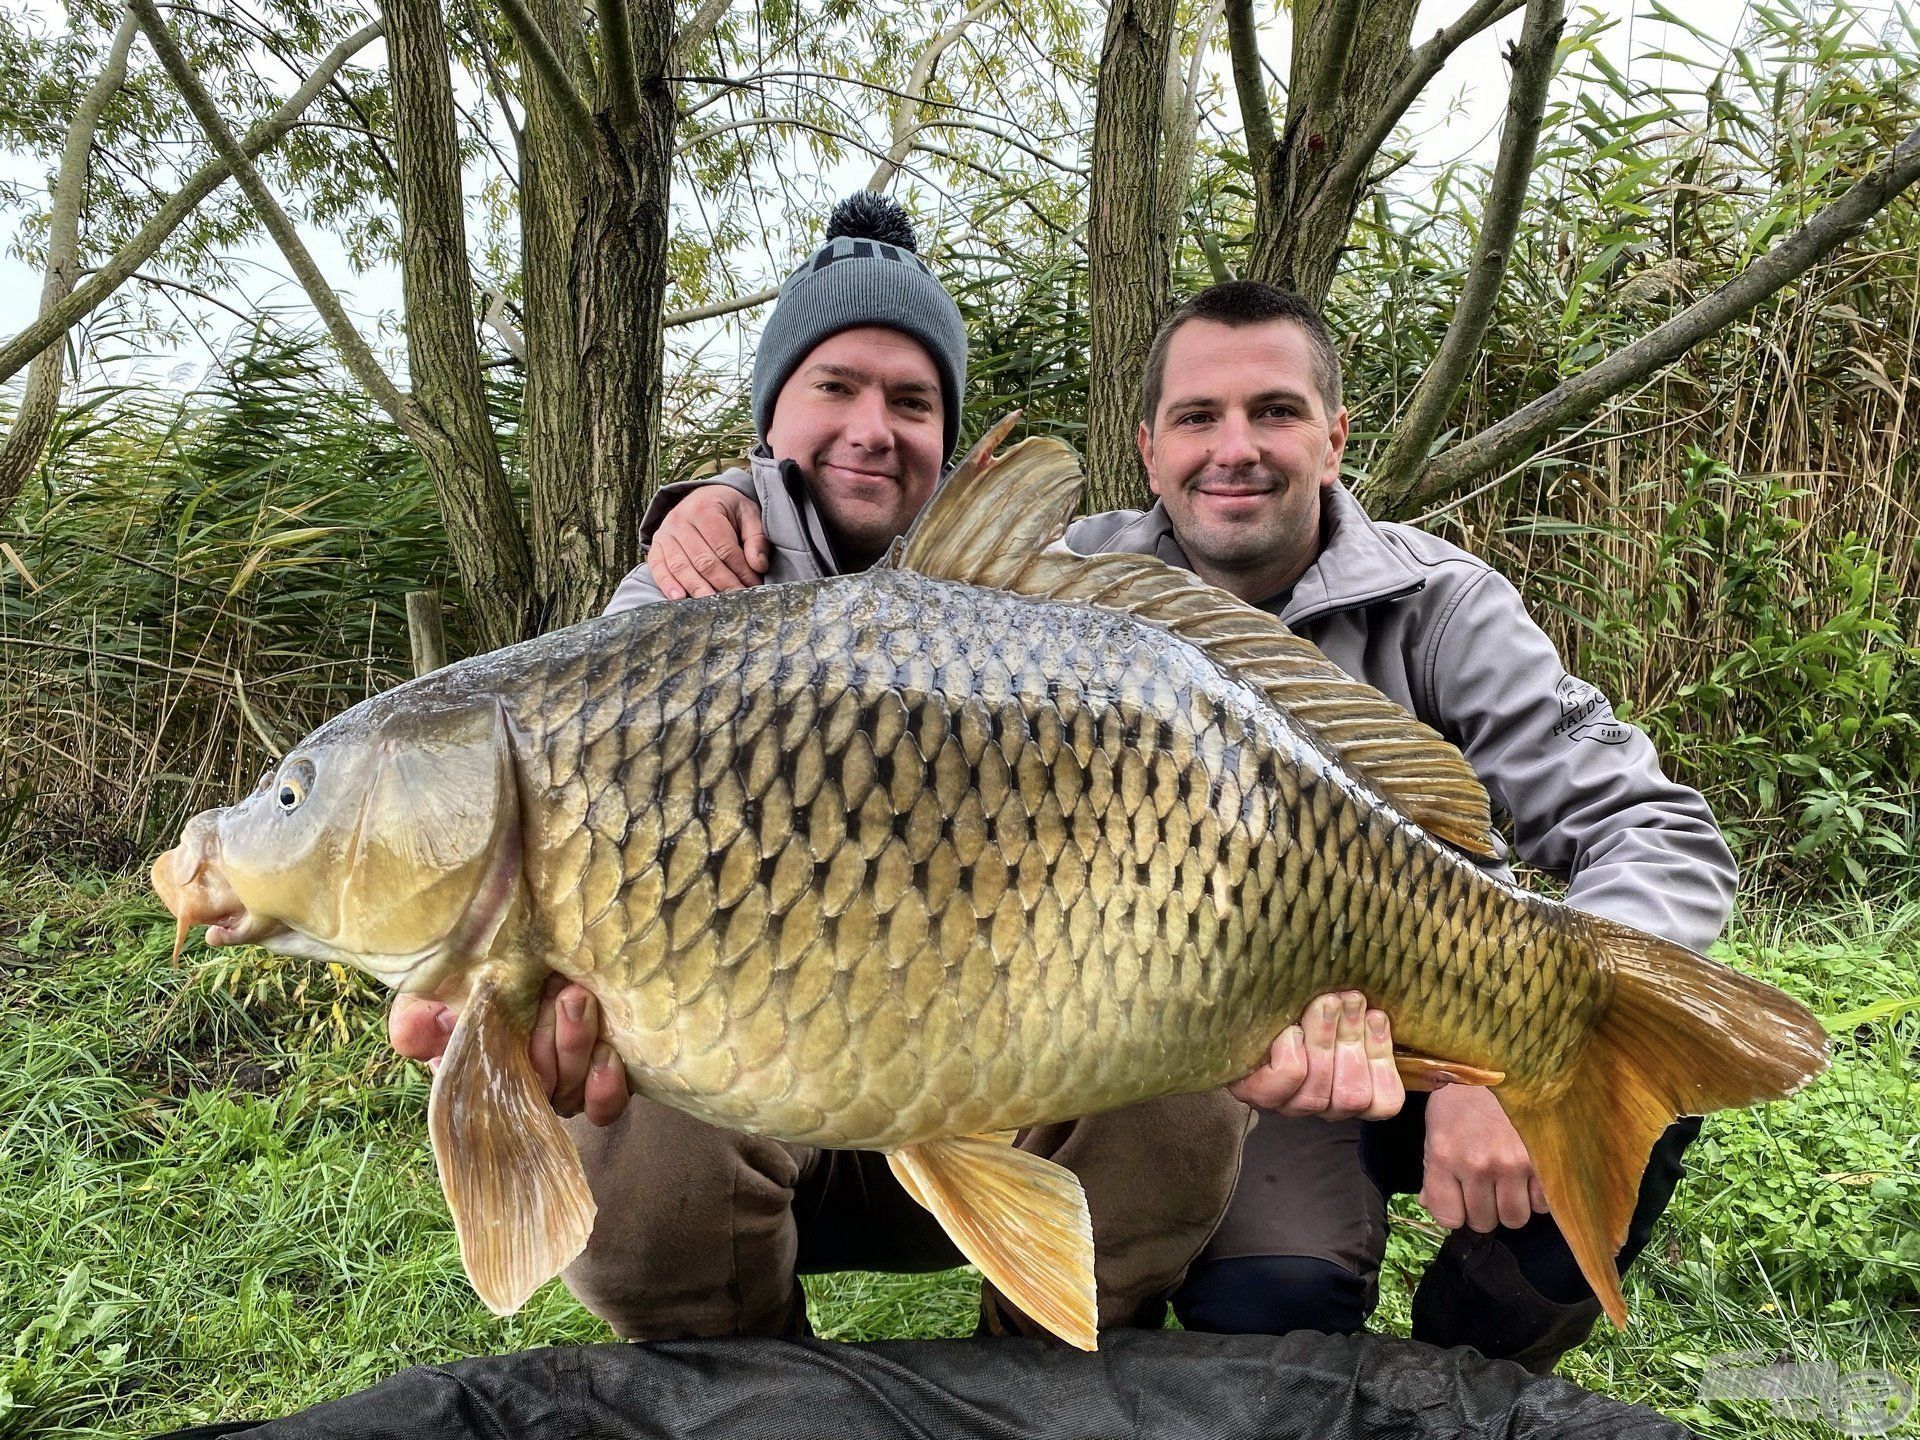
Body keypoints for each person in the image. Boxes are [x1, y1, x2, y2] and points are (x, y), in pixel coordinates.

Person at [634, 278, 1738, 1373]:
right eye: (1198, 418)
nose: (1236, 449)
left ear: (1335, 436)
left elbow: (1656, 829)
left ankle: (1465, 1372)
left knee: (1605, 1064)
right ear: (1150, 447)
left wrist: (1493, 1074)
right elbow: (865, 598)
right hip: (1212, 1051)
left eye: (1276, 412)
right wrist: (724, 499)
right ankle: (1088, 1377)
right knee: (1278, 1305)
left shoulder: (1444, 604)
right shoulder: (1073, 587)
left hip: (1399, 987)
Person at [389, 203, 1403, 1344]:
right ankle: (751, 1398)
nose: (873, 428)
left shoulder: (1041, 603)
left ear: (950, 439)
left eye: (912, 401)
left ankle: (1040, 1386)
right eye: (836, 388)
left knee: (1186, 1080)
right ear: (773, 413)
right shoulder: (668, 613)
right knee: (629, 1120)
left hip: (1020, 1089)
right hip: (769, 1120)